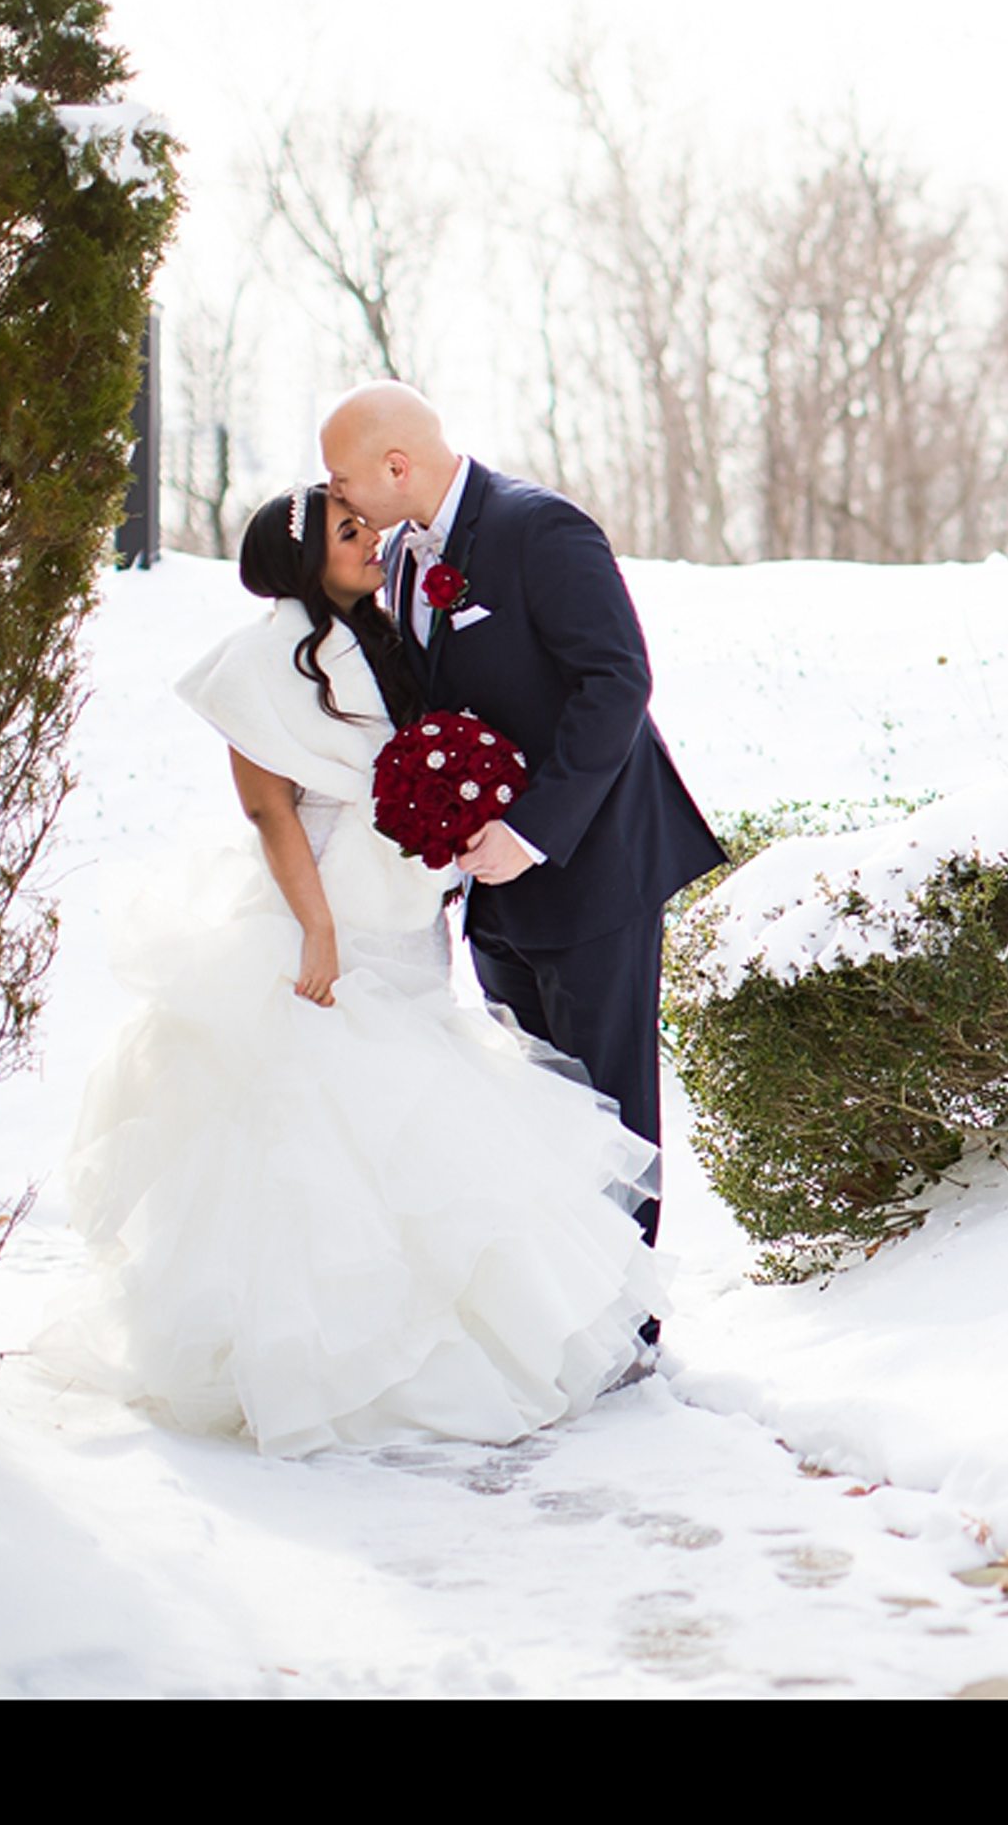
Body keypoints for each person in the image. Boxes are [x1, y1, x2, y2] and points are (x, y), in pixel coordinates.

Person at [46, 484, 664, 1458]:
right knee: (319, 1130)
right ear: (305, 563)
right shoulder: (259, 661)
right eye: (348, 530)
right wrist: (318, 928)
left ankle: (473, 1337)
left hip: (401, 918)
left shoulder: (385, 634)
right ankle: (321, 1359)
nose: (372, 537)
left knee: (424, 1122)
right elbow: (269, 810)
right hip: (323, 917)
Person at [318, 384, 726, 1320]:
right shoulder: (406, 562)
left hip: (591, 865)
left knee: (608, 1109)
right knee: (539, 1104)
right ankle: (564, 1318)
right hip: (489, 883)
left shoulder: (540, 529)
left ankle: (626, 1321)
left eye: (342, 475)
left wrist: (532, 829)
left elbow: (617, 679)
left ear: (396, 467)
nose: (333, 491)